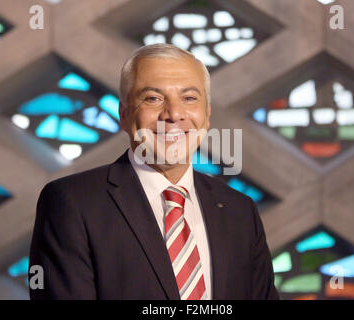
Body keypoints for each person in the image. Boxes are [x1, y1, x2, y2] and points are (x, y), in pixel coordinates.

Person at [29, 43, 279, 300]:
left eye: (189, 98)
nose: (173, 114)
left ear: (207, 115)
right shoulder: (72, 202)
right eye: (153, 98)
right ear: (124, 115)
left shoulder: (240, 210)